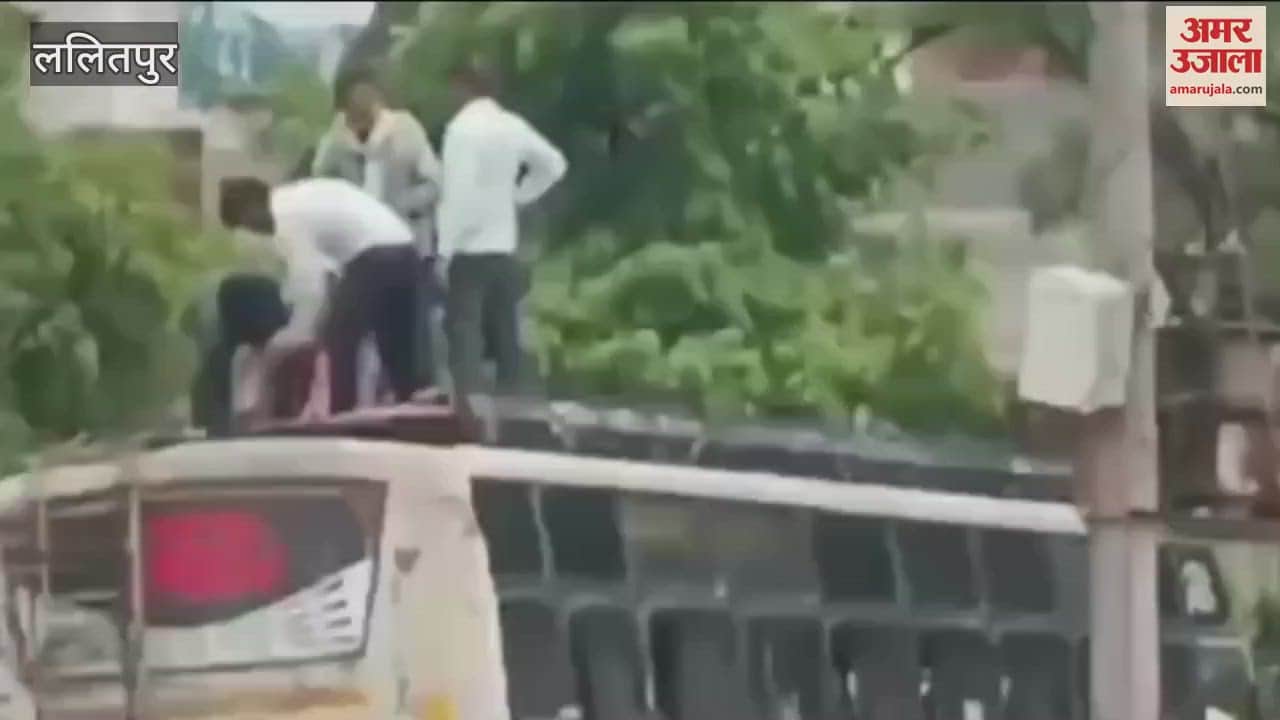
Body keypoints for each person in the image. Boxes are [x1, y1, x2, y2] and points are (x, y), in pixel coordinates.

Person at [218, 175, 421, 414]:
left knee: (340, 338)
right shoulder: (296, 198)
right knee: (393, 339)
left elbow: (310, 285)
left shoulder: (284, 216)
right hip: (405, 245)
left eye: (247, 225)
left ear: (250, 209)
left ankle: (340, 411)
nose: (257, 233)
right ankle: (408, 400)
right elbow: (322, 276)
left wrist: (291, 337)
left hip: (374, 252)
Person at [437, 61, 568, 399]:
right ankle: (516, 404)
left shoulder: (461, 130)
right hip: (503, 242)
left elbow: (459, 191)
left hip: (468, 246)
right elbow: (554, 164)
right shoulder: (512, 125)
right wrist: (518, 196)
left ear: (462, 88)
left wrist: (445, 249)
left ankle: (468, 403)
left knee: (465, 329)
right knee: (505, 328)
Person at [313, 66, 444, 391]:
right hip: (357, 253)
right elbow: (320, 184)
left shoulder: (405, 131)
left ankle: (410, 396)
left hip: (405, 247)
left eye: (367, 96)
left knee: (407, 336)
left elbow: (434, 183)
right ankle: (346, 403)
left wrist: (397, 208)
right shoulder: (336, 141)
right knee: (347, 333)